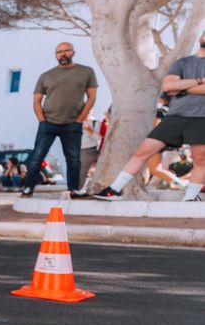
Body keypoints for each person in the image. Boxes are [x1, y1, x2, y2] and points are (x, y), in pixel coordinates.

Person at [93, 31, 205, 202]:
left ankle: (190, 198)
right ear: (201, 38)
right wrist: (199, 80)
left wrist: (182, 86)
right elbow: (167, 86)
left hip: (202, 118)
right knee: (142, 151)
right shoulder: (182, 63)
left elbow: (176, 87)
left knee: (200, 159)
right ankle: (114, 191)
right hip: (175, 117)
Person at [21, 42, 98, 199]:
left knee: (73, 159)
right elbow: (36, 100)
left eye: (66, 51)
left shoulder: (86, 72)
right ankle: (28, 188)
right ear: (56, 55)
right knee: (37, 157)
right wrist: (42, 120)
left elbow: (92, 97)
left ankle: (74, 190)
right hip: (48, 123)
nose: (63, 54)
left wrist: (80, 119)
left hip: (73, 124)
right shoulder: (46, 75)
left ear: (73, 52)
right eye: (59, 52)